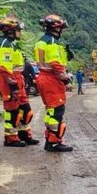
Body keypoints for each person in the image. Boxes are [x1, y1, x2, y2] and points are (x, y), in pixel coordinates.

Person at [0, 17, 39, 147]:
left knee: (25, 110)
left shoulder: (12, 44)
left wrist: (21, 81)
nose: (20, 33)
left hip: (17, 78)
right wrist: (12, 85)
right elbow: (4, 67)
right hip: (9, 81)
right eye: (19, 30)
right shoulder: (5, 45)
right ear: (11, 31)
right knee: (12, 111)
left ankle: (24, 135)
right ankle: (10, 138)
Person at [34, 13, 73, 152]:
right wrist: (66, 80)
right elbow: (56, 64)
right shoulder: (51, 42)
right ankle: (54, 142)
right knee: (57, 110)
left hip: (44, 77)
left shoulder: (41, 41)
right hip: (51, 79)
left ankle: (50, 140)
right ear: (56, 28)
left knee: (51, 111)